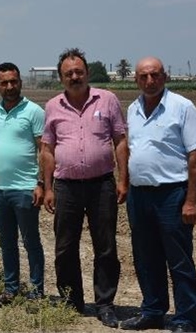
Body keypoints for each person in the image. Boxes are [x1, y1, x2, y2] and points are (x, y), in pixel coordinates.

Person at [120, 57, 196, 333]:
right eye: (144, 76)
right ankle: (153, 311)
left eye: (155, 75)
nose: (150, 81)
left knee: (179, 260)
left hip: (172, 194)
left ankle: (185, 319)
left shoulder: (182, 107)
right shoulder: (133, 109)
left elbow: (195, 156)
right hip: (140, 195)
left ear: (165, 76)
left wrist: (191, 200)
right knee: (146, 258)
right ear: (136, 79)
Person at [40, 48, 128, 328]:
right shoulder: (53, 106)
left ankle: (105, 304)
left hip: (101, 184)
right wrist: (49, 186)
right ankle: (71, 301)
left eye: (79, 72)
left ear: (87, 73)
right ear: (61, 77)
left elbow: (120, 141)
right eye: (69, 73)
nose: (74, 77)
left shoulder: (108, 99)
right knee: (65, 247)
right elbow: (47, 149)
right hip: (66, 187)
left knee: (105, 246)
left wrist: (123, 179)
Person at [0, 62, 46, 309]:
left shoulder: (34, 111)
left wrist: (40, 183)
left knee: (31, 242)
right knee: (6, 242)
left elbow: (45, 150)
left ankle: (37, 292)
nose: (9, 86)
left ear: (20, 82)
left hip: (25, 188)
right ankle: (10, 290)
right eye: (4, 82)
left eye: (13, 81)